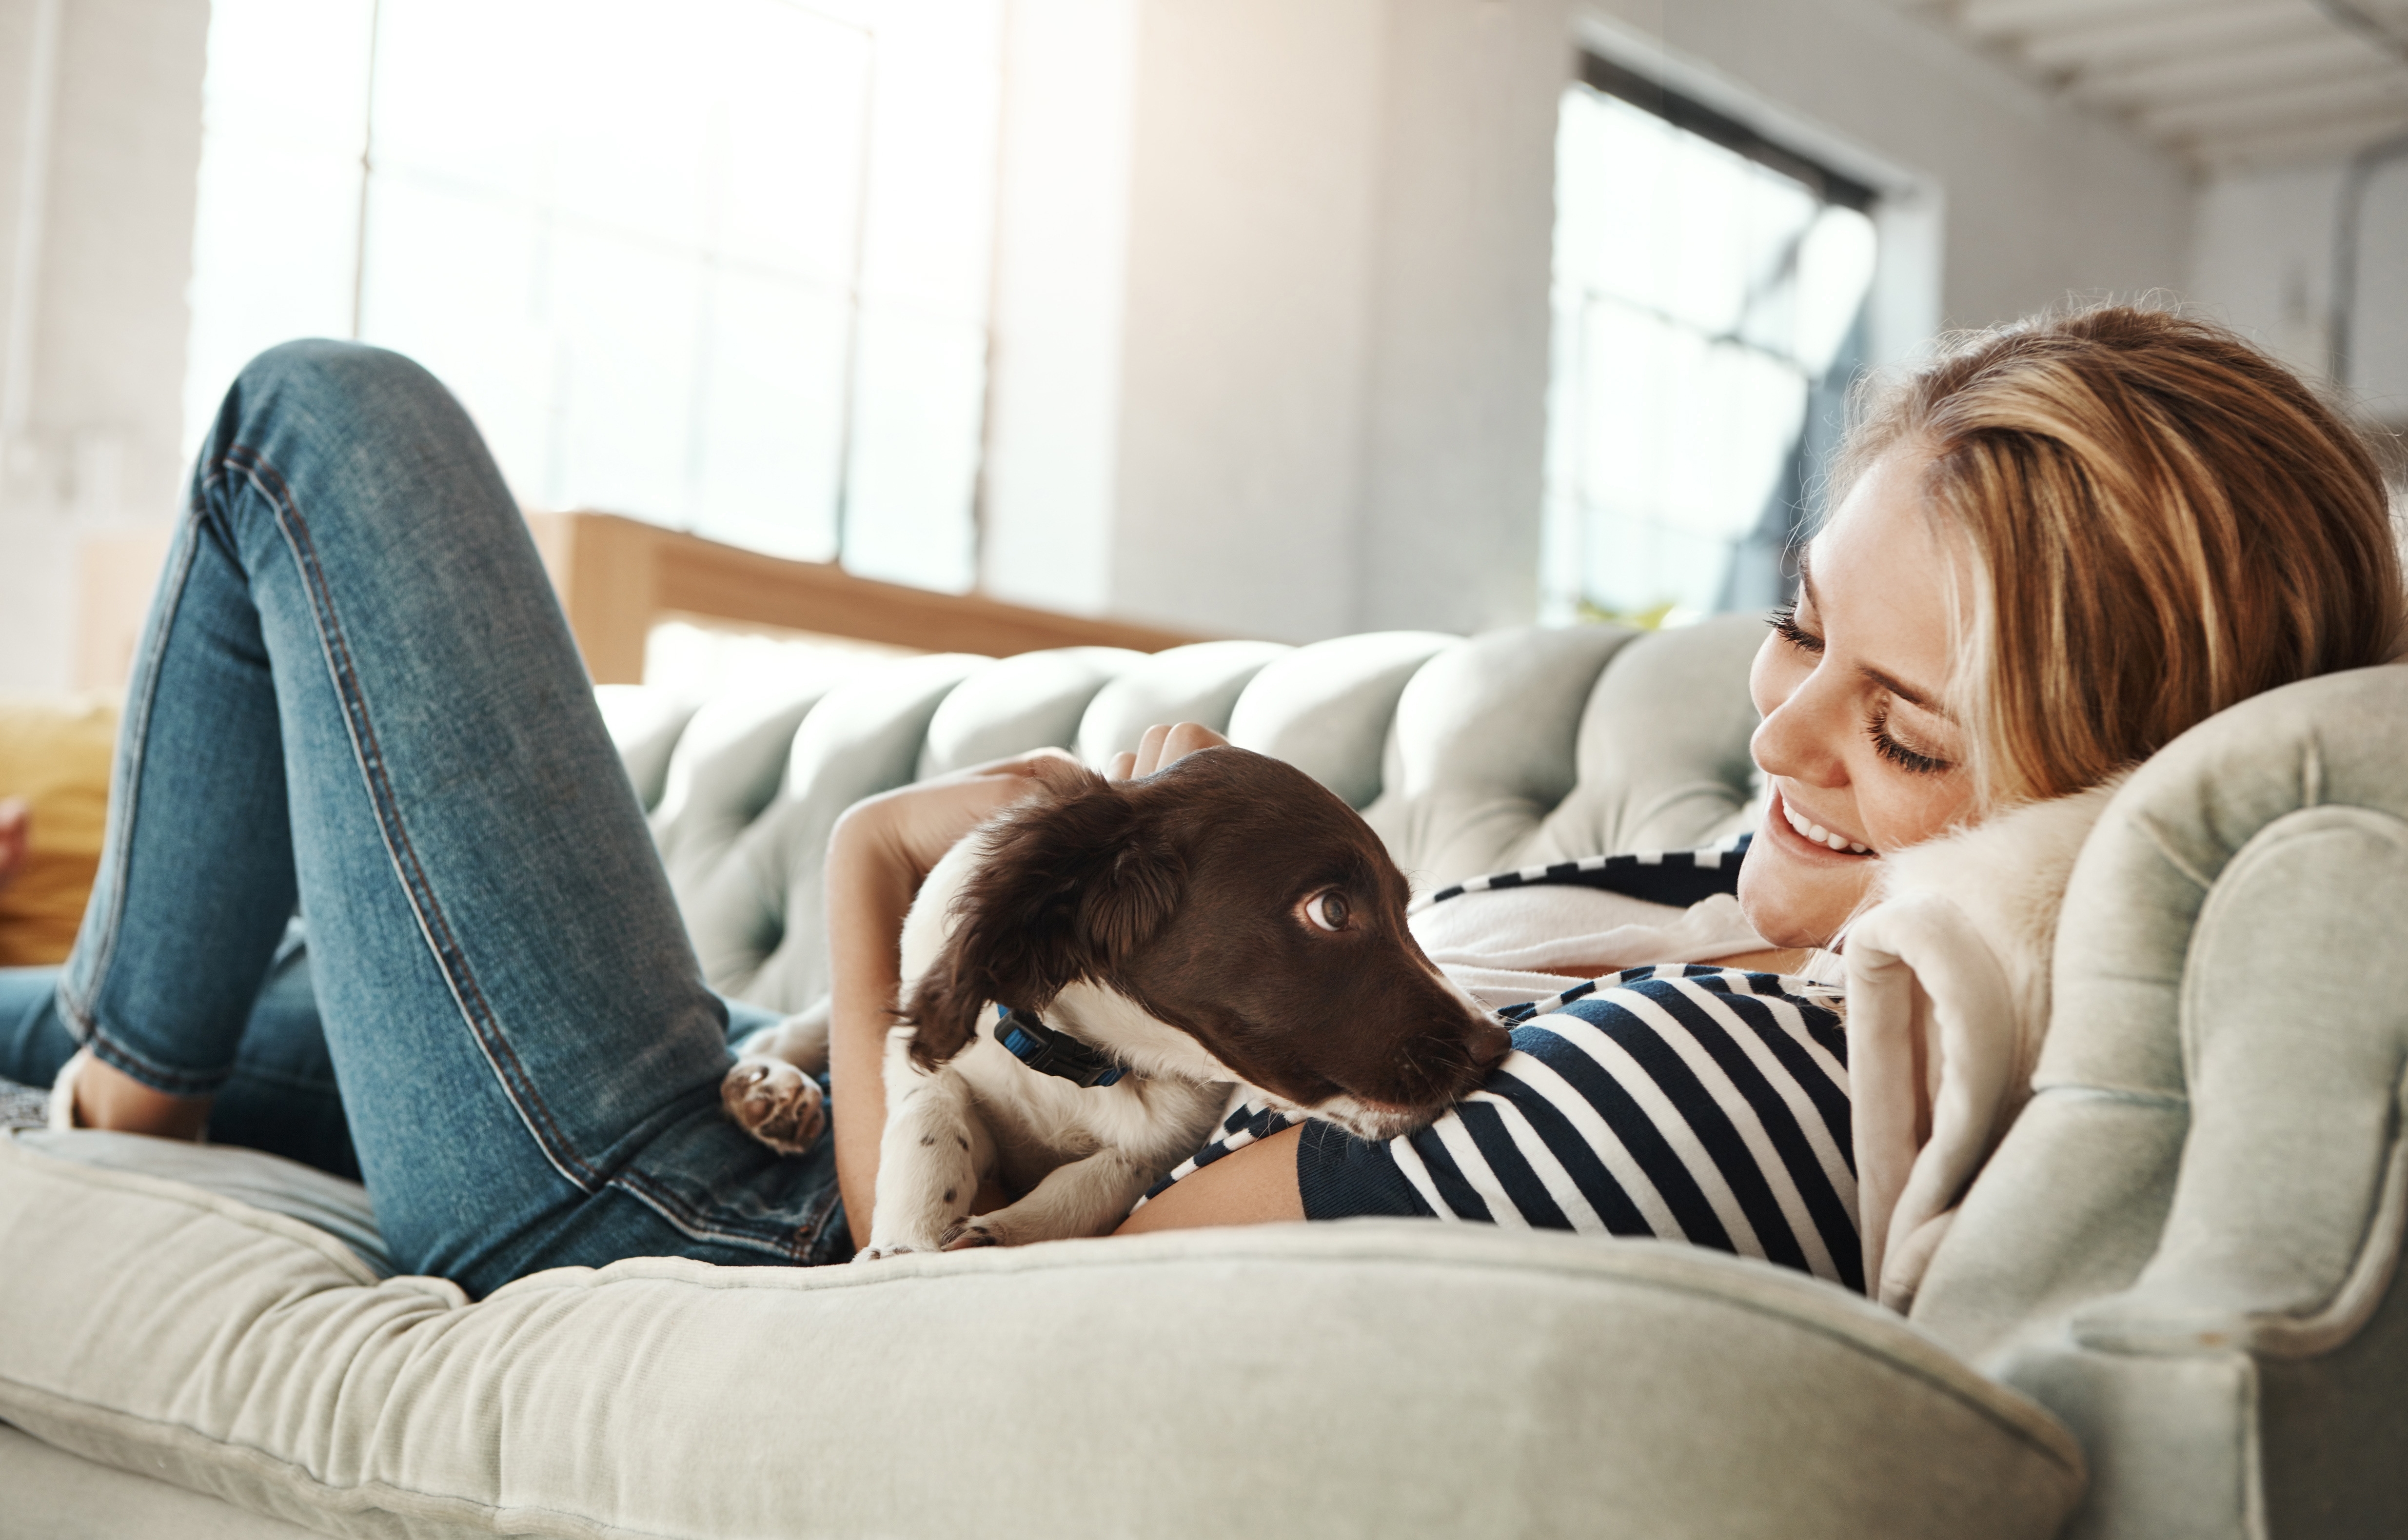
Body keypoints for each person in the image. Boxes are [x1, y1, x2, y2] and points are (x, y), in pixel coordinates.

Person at [1, 306, 2397, 1301]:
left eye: (1910, 732)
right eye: (1797, 630)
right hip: (785, 1068)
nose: (1781, 742)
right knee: (290, 961)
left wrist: (874, 876)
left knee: (316, 429)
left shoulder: (1760, 1070)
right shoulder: (1705, 903)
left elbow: (949, 1305)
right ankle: (99, 1054)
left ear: (2115, 788)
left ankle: (125, 1103)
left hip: (721, 1222)